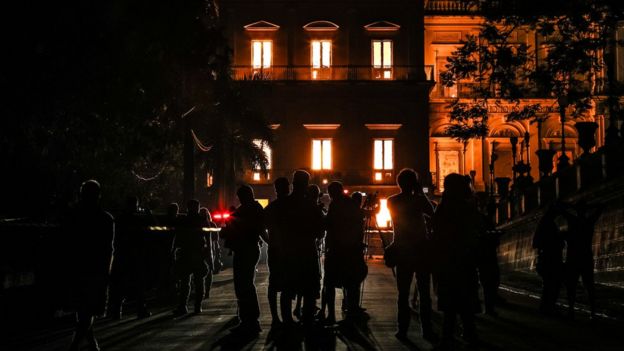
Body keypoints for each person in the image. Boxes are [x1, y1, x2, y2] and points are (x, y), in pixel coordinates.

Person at [432, 173, 482, 348]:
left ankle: (447, 336)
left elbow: (436, 234)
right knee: (466, 300)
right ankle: (468, 332)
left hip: (446, 261)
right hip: (463, 259)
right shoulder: (465, 208)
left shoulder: (442, 208)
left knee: (449, 304)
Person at [65, 180, 114, 351]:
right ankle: (84, 345)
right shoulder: (106, 219)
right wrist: (107, 270)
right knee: (88, 310)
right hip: (95, 269)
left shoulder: (72, 216)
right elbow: (108, 249)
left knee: (83, 310)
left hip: (77, 268)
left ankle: (87, 344)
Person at [387, 169, 436, 341]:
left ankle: (402, 329)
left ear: (398, 183)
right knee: (424, 292)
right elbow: (434, 216)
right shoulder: (420, 200)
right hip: (421, 248)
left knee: (403, 293)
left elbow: (398, 224)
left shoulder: (391, 201)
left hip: (402, 249)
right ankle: (427, 329)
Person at [220, 185, 266, 334]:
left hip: (246, 250)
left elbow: (257, 229)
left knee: (244, 285)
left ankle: (250, 319)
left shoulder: (248, 209)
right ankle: (248, 318)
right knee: (245, 284)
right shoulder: (252, 208)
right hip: (246, 249)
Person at [282, 170, 325, 327]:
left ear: (293, 183)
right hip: (307, 250)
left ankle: (287, 321)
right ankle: (307, 320)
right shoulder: (311, 206)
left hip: (289, 251)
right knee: (309, 289)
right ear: (306, 184)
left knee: (288, 289)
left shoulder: (285, 204)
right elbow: (320, 232)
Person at [323, 181, 368, 324]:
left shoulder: (335, 205)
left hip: (337, 250)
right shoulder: (352, 205)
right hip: (352, 249)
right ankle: (352, 311)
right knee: (351, 283)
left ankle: (331, 315)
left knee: (329, 283)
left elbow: (329, 224)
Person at [108, 196, 152, 319]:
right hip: (134, 255)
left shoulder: (119, 219)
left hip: (121, 254)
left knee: (120, 284)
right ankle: (140, 310)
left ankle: (117, 310)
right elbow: (149, 230)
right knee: (138, 284)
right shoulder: (137, 219)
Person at [561, 200, 603, 319]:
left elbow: (559, 208)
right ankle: (593, 312)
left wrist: (571, 206)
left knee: (571, 285)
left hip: (573, 257)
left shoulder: (572, 219)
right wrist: (590, 205)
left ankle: (571, 310)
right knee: (589, 285)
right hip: (586, 256)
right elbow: (601, 206)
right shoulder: (589, 221)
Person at [173, 200, 209, 315]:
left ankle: (183, 306)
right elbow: (208, 240)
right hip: (196, 253)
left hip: (187, 253)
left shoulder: (183, 220)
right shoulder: (202, 220)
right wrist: (209, 255)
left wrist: (173, 251)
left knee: (185, 282)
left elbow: (176, 236)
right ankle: (197, 306)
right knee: (198, 281)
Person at [264, 177, 291, 326]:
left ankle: (276, 317)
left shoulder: (272, 207)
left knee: (274, 284)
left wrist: (269, 241)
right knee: (286, 285)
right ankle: (285, 317)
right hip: (288, 249)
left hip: (275, 249)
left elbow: (261, 227)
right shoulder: (291, 206)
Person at [533, 202, 565, 316]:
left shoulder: (545, 222)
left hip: (547, 257)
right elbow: (539, 242)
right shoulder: (548, 223)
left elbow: (536, 242)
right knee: (552, 284)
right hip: (550, 258)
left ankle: (546, 307)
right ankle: (548, 307)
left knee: (549, 284)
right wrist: (558, 238)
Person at [199, 207, 218, 299]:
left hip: (203, 250)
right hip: (210, 250)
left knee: (203, 271)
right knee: (209, 271)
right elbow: (215, 240)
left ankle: (204, 291)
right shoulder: (212, 224)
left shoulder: (198, 224)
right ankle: (206, 291)